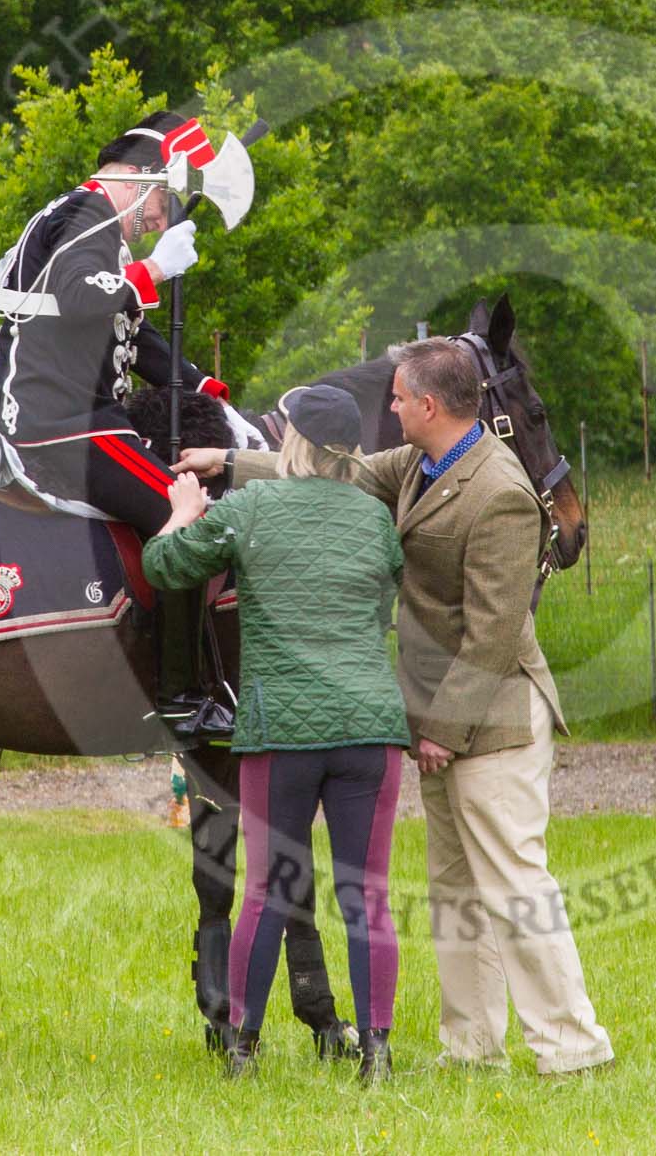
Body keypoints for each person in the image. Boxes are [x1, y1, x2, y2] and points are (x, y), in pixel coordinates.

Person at [177, 338, 615, 1076]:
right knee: (454, 887)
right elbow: (332, 469)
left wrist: (442, 729)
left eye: (399, 397)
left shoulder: (500, 491)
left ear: (431, 405)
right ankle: (473, 1045)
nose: (390, 406)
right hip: (446, 714)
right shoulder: (418, 464)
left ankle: (572, 1046)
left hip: (496, 714)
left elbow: (495, 631)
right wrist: (223, 465)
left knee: (513, 879)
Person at [144, 384, 410, 1083]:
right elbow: (382, 600)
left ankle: (242, 1047)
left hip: (281, 728)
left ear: (290, 439)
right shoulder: (375, 518)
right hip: (370, 728)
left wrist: (179, 514)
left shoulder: (250, 508)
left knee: (263, 888)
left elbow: (165, 567)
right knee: (368, 893)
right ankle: (377, 1051)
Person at [0, 109, 260, 707]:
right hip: (62, 424)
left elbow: (133, 338)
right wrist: (153, 269)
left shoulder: (90, 222)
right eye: (158, 207)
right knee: (193, 517)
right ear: (140, 179)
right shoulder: (89, 214)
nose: (157, 223)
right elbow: (78, 297)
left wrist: (208, 392)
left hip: (81, 417)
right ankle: (182, 690)